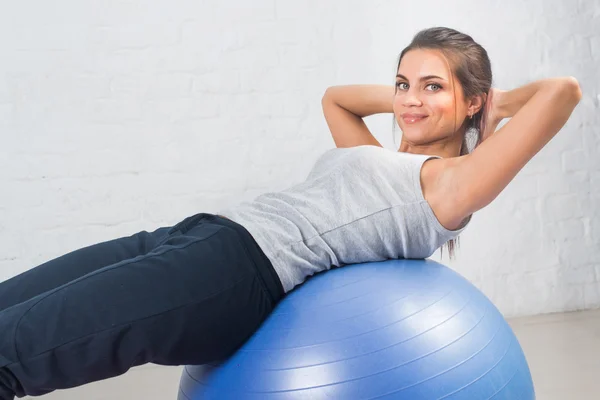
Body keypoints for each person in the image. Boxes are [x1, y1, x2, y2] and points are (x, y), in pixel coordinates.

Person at [0, 26, 581, 399]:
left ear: (473, 99)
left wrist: (494, 106)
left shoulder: (452, 186)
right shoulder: (378, 159)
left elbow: (564, 91)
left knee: (16, 354)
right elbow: (337, 98)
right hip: (194, 238)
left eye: (433, 87)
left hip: (233, 272)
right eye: (404, 83)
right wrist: (420, 100)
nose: (409, 99)